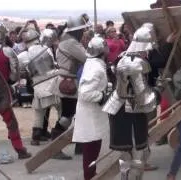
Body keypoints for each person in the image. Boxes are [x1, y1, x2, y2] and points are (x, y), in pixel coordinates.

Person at [103, 26, 162, 179]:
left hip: (120, 107)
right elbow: (144, 98)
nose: (148, 51)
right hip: (130, 111)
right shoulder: (136, 63)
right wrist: (158, 90)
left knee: (128, 155)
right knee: (137, 156)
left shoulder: (124, 56)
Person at [0, 21, 32, 159]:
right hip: (1, 94)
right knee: (11, 123)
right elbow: (13, 76)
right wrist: (8, 82)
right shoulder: (7, 51)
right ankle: (20, 150)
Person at [49, 15, 91, 159]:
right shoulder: (71, 43)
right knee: (67, 115)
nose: (82, 32)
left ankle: (79, 145)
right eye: (81, 30)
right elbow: (87, 58)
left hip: (69, 79)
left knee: (75, 113)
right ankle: (54, 147)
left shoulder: (68, 41)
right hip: (68, 81)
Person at [72, 36, 110, 180]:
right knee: (91, 150)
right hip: (91, 114)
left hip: (93, 113)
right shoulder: (95, 67)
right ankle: (90, 177)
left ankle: (91, 175)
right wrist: (102, 97)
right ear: (102, 50)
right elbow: (85, 93)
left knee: (93, 149)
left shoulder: (94, 63)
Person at [17, 29, 61, 147]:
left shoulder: (23, 55)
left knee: (39, 112)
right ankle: (61, 134)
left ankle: (35, 137)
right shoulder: (47, 50)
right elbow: (54, 65)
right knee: (60, 109)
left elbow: (20, 71)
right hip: (53, 83)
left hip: (38, 85)